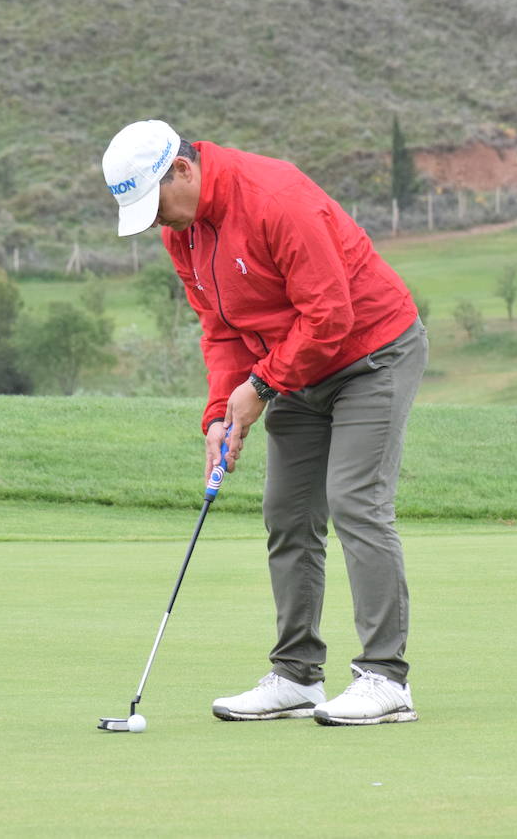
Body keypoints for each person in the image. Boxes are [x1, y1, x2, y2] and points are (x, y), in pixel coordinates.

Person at [101, 120, 428, 726]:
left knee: (354, 501)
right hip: (293, 364)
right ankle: (298, 676)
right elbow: (221, 331)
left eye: (154, 206)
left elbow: (331, 314)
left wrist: (260, 387)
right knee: (287, 513)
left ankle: (385, 678)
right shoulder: (185, 234)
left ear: (182, 169)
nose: (153, 222)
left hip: (371, 353)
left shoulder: (275, 198)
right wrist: (221, 414)